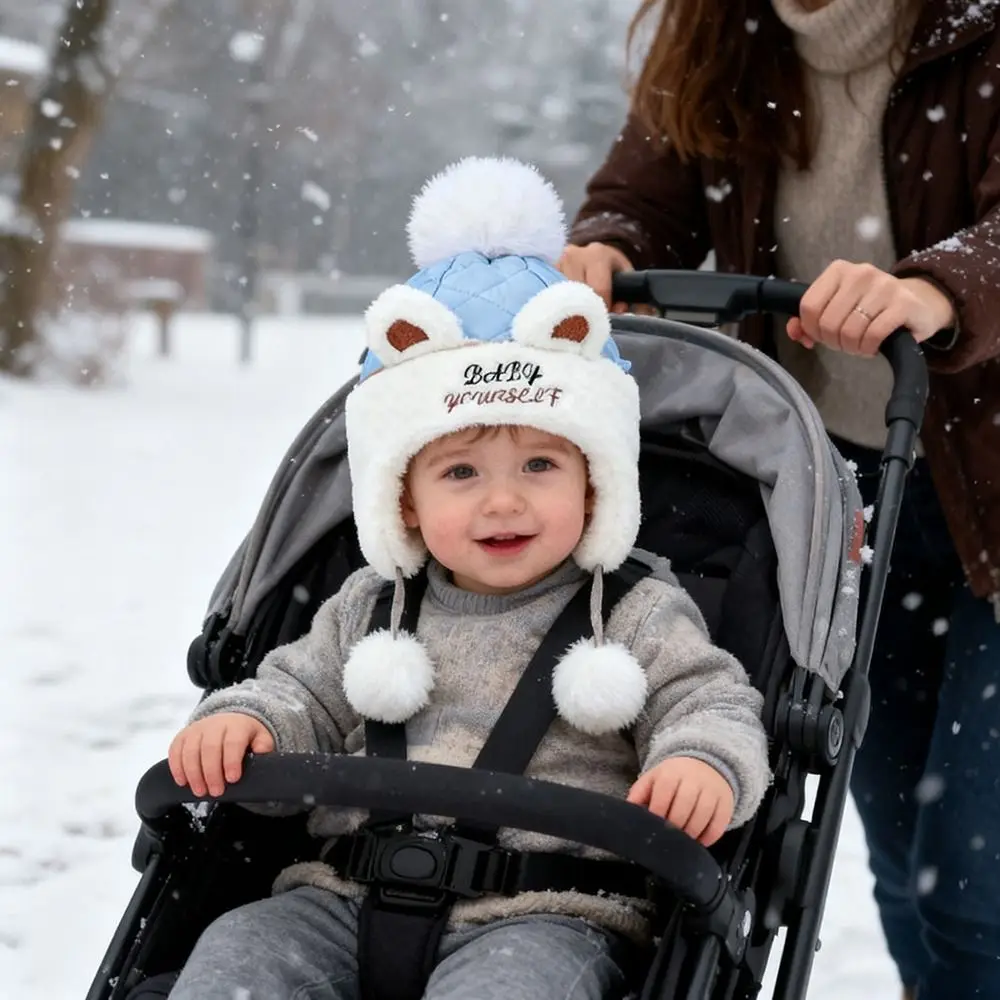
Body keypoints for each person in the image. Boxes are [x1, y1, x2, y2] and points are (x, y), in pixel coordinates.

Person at [163, 156, 771, 1000]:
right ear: (402, 503)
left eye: (539, 464)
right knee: (240, 952)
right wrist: (246, 724)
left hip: (551, 914)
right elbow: (295, 693)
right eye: (458, 474)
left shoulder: (635, 613)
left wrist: (703, 761)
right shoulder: (369, 609)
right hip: (341, 896)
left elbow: (711, 701)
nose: (503, 500)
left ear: (594, 482)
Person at [558, 2, 1000, 999]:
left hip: (993, 489)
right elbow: (641, 193)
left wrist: (935, 290)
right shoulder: (719, 33)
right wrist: (605, 248)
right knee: (902, 852)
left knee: (973, 882)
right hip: (842, 498)